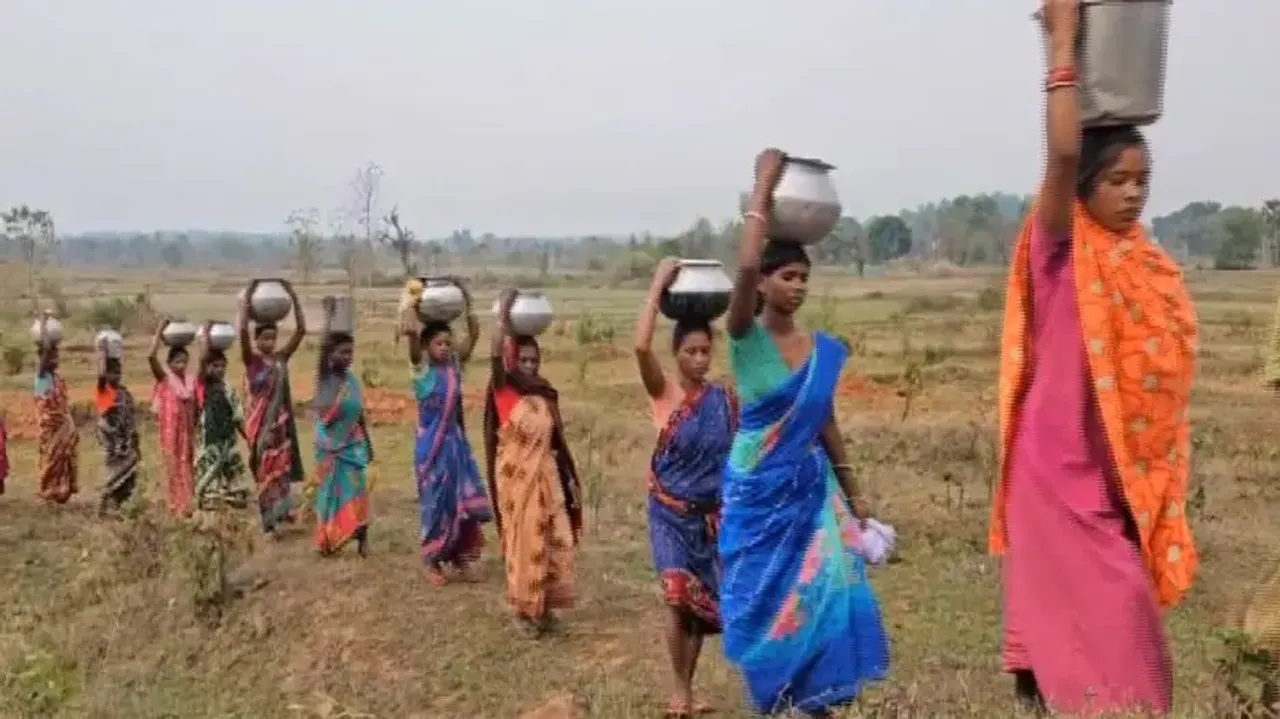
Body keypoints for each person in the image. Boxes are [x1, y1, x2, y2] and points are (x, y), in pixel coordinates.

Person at [989, 1, 1198, 715]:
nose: (1134, 192)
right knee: (1121, 633)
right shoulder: (1060, 245)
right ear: (1083, 191)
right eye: (1118, 180)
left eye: (1143, 179)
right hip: (1054, 475)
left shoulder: (1145, 261)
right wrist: (1065, 43)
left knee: (1115, 632)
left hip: (1113, 477)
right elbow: (1066, 152)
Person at [717, 149, 889, 717]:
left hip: (811, 496)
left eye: (804, 278)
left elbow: (825, 422)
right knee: (762, 599)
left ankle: (815, 702)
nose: (797, 287)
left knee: (822, 591)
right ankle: (776, 697)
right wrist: (762, 188)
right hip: (757, 492)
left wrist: (855, 494)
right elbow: (742, 268)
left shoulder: (821, 351)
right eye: (787, 276)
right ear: (762, 285)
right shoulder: (745, 338)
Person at [634, 258, 737, 719]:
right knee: (676, 596)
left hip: (707, 517)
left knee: (699, 610)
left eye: (704, 351)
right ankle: (679, 690)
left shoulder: (723, 400)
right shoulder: (666, 395)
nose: (698, 359)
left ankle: (689, 692)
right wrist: (658, 284)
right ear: (676, 355)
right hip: (669, 514)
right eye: (690, 352)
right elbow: (640, 346)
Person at [483, 289, 582, 638]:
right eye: (522, 360)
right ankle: (524, 612)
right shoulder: (503, 387)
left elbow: (557, 443)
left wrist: (568, 477)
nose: (529, 366)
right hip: (516, 482)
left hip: (547, 477)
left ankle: (545, 605)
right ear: (512, 361)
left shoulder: (543, 392)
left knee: (557, 540)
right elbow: (494, 351)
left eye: (533, 360)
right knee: (525, 544)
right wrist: (504, 314)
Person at [403, 281, 492, 585]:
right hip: (431, 448)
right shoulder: (421, 370)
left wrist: (466, 300)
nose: (445, 348)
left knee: (460, 503)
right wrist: (412, 308)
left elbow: (474, 335)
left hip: (455, 447)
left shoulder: (454, 365)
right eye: (439, 344)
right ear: (427, 347)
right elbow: (413, 344)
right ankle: (432, 561)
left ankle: (459, 557)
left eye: (448, 343)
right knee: (436, 502)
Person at [239, 280, 307, 535]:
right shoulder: (252, 361)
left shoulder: (280, 359)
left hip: (281, 428)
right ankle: (268, 523)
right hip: (261, 429)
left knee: (281, 472)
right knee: (265, 473)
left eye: (273, 337)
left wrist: (293, 295)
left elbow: (301, 330)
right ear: (256, 340)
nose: (269, 342)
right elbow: (242, 333)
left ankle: (281, 514)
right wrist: (246, 300)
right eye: (265, 338)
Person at [312, 299, 373, 557]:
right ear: (331, 355)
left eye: (350, 352)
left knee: (358, 491)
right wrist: (328, 317)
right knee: (327, 495)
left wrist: (369, 443)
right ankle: (328, 538)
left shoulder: (352, 381)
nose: (346, 357)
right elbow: (323, 348)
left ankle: (361, 537)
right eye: (341, 352)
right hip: (328, 447)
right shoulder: (326, 377)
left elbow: (359, 414)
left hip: (352, 445)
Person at [193, 326, 250, 511]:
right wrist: (207, 337)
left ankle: (231, 523)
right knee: (209, 489)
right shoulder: (202, 386)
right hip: (208, 444)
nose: (219, 370)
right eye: (214, 366)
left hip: (228, 443)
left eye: (222, 366)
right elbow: (202, 362)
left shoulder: (228, 389)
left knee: (237, 491)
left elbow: (238, 416)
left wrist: (250, 439)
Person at [149, 318, 197, 517]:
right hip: (170, 433)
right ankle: (176, 504)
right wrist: (160, 329)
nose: (181, 365)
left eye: (184, 361)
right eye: (177, 361)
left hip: (186, 432)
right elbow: (151, 356)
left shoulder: (189, 380)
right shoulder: (165, 378)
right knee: (173, 464)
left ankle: (187, 503)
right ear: (169, 363)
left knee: (187, 464)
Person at [34, 312, 79, 505]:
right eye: (52, 356)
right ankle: (49, 489)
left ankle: (62, 490)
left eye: (57, 356)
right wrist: (44, 323)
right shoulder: (41, 376)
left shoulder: (56, 377)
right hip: (51, 426)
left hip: (62, 424)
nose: (56, 359)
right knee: (52, 458)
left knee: (64, 457)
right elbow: (45, 347)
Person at [95, 350, 140, 515]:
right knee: (112, 475)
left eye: (118, 372)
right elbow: (100, 376)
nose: (116, 376)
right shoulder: (104, 391)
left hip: (127, 440)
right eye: (112, 372)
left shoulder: (124, 392)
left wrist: (135, 438)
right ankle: (104, 505)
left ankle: (120, 506)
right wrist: (102, 354)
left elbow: (131, 415)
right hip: (112, 443)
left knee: (129, 476)